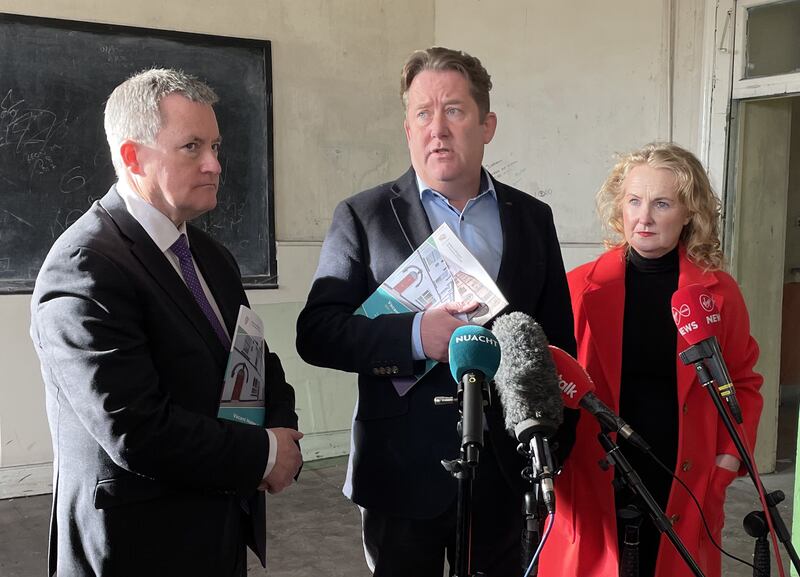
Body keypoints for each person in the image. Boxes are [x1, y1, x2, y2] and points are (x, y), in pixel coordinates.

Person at [296, 47, 576, 576]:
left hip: (506, 469)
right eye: (423, 113)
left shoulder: (533, 218)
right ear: (408, 128)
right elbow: (318, 333)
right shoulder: (364, 215)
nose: (437, 129)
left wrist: (552, 449)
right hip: (401, 471)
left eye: (454, 110)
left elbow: (556, 340)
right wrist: (414, 335)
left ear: (486, 124)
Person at [29, 68, 303, 577]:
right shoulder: (86, 265)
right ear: (133, 156)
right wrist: (264, 454)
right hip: (138, 547)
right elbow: (135, 428)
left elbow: (252, 358)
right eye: (192, 146)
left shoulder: (210, 256)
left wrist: (282, 428)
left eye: (216, 146)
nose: (215, 164)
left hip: (215, 529)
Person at [539, 142, 763, 577]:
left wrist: (727, 460)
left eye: (661, 203)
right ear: (619, 207)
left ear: (688, 213)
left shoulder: (718, 293)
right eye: (634, 201)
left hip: (685, 473)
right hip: (597, 467)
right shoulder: (580, 287)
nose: (644, 217)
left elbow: (743, 381)